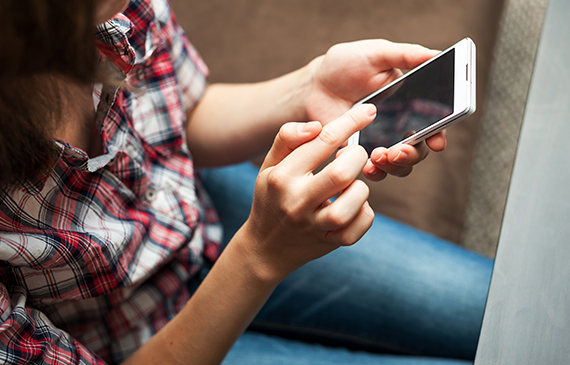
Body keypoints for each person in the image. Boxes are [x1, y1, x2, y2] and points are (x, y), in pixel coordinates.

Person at [0, 0, 493, 364]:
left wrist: (309, 85)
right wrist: (259, 255)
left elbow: (183, 112)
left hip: (202, 211)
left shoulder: (110, 11)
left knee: (503, 313)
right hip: (149, 346)